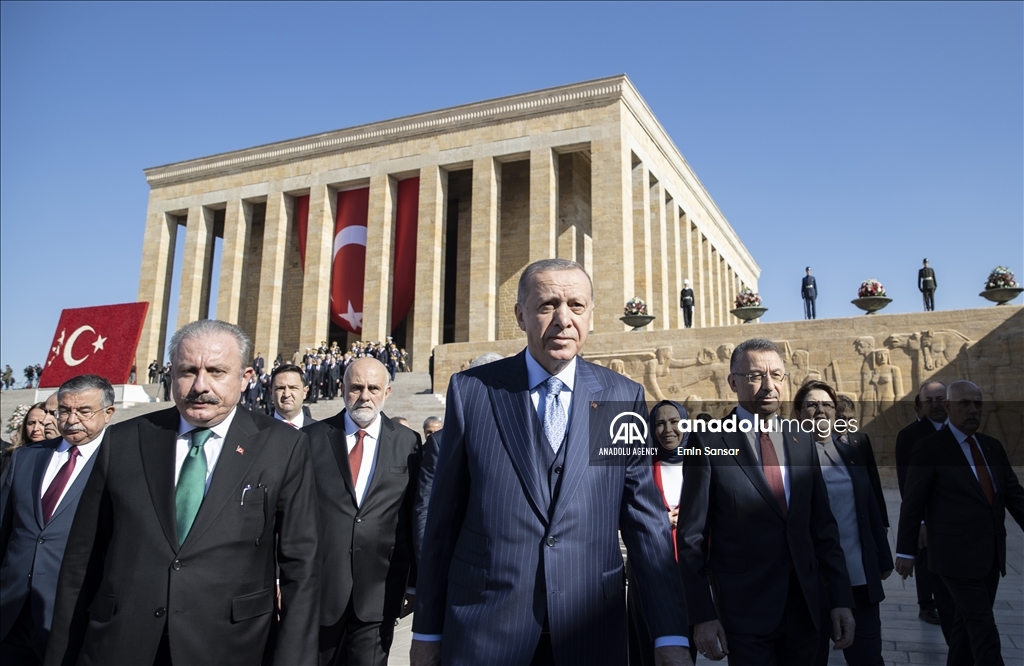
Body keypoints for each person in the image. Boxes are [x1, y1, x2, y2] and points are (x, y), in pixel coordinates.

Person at [412, 259, 691, 666]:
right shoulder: (474, 391)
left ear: (590, 315)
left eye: (576, 306)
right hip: (486, 629)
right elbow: (443, 520)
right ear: (520, 315)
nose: (563, 320)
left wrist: (669, 632)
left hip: (590, 626)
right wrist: (427, 630)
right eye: (547, 305)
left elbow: (645, 523)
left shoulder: (619, 397)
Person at [45, 320, 320, 666]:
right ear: (171, 373)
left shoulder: (283, 446)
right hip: (121, 643)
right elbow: (81, 560)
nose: (200, 386)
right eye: (188, 371)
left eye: (217, 372)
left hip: (230, 647)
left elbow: (301, 568)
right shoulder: (123, 441)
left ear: (245, 377)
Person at [676, 338, 854, 664]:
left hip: (806, 611)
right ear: (733, 382)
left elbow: (823, 527)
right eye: (756, 376)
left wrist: (841, 598)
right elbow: (691, 539)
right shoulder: (710, 441)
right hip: (744, 616)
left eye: (776, 375)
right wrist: (702, 615)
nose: (769, 386)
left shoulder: (801, 439)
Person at [895, 381, 1024, 666]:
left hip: (990, 556)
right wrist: (906, 551)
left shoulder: (991, 447)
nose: (973, 410)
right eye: (964, 403)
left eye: (978, 404)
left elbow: (1015, 496)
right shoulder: (930, 448)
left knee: (965, 628)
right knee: (982, 625)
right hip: (953, 556)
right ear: (949, 407)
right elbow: (913, 501)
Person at [303, 357, 420, 666]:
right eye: (356, 387)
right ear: (342, 389)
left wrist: (413, 582)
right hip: (321, 589)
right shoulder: (312, 438)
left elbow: (412, 515)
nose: (364, 396)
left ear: (387, 392)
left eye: (373, 388)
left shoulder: (408, 443)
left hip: (379, 591)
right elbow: (295, 513)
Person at [1, 375, 116, 665]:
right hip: (10, 612)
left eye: (84, 411)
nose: (71, 419)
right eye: (64, 411)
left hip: (72, 617)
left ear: (108, 413)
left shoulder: (121, 464)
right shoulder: (25, 457)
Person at [794, 381, 893, 666]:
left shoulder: (851, 452)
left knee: (867, 656)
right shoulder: (788, 458)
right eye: (811, 405)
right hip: (813, 581)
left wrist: (883, 558)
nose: (820, 410)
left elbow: (869, 506)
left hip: (858, 575)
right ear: (798, 413)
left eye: (827, 404)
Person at [628, 400, 699, 666]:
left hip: (692, 572)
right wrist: (659, 520)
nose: (667, 429)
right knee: (649, 649)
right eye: (659, 423)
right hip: (649, 570)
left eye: (674, 422)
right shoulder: (641, 467)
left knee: (687, 650)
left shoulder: (700, 464)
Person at [894, 381, 953, 632]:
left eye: (940, 399)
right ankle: (926, 603)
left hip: (954, 513)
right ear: (920, 406)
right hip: (926, 511)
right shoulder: (910, 436)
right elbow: (906, 480)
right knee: (925, 558)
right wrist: (918, 521)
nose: (936, 405)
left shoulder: (958, 430)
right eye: (930, 401)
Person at [270, 364, 314, 428]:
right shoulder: (257, 431)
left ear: (305, 392)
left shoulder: (320, 432)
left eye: (293, 388)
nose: (286, 394)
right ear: (271, 393)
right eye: (280, 388)